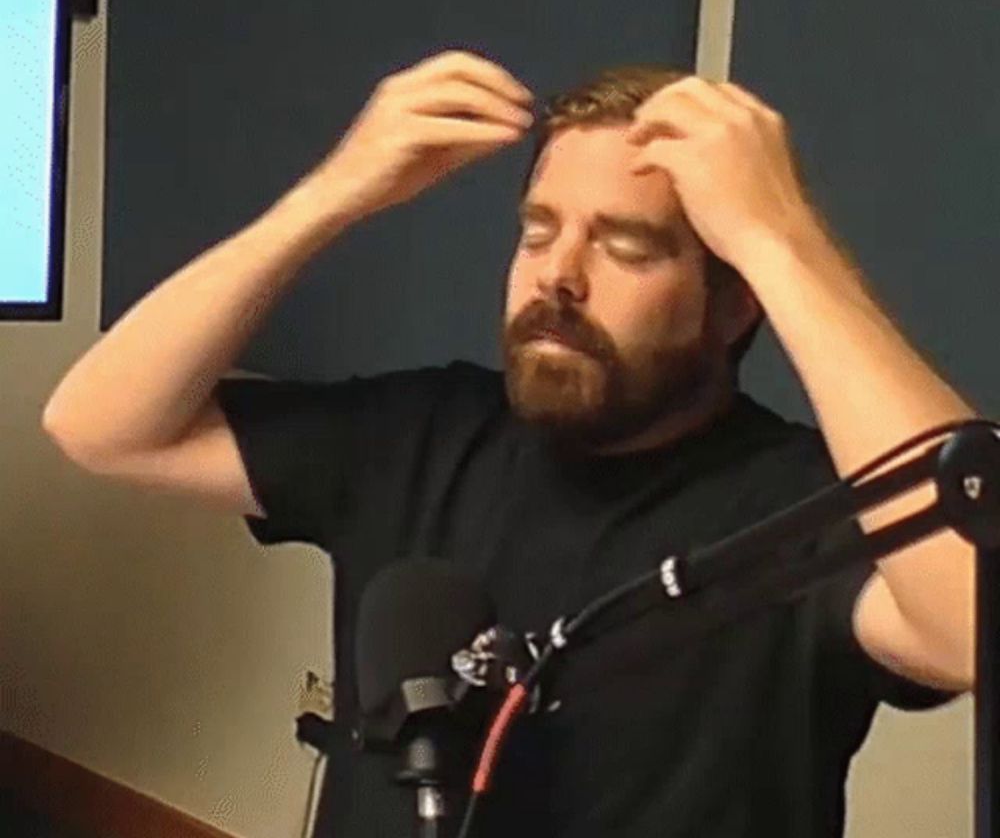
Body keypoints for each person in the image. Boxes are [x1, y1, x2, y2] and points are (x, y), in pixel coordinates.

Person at [43, 50, 977, 837]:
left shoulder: (799, 509)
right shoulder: (427, 434)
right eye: (538, 232)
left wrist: (784, 241)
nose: (558, 276)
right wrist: (333, 196)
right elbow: (101, 427)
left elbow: (974, 623)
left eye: (625, 246)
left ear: (734, 303)